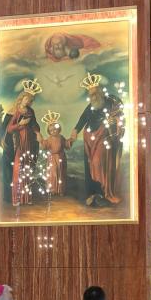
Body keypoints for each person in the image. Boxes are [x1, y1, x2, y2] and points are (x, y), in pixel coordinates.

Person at [71, 74, 123, 207]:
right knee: (89, 166)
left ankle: (103, 192)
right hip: (89, 140)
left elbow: (119, 115)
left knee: (98, 162)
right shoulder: (91, 106)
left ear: (100, 92)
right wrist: (75, 131)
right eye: (90, 95)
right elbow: (82, 119)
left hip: (104, 138)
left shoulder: (110, 102)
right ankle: (93, 193)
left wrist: (115, 121)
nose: (93, 97)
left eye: (95, 93)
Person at [3, 80, 42, 207]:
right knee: (18, 169)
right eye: (26, 99)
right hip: (19, 144)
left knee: (28, 169)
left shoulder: (31, 111)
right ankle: (17, 198)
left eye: (30, 100)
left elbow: (34, 124)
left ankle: (26, 197)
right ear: (22, 98)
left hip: (29, 143)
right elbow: (9, 128)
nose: (28, 102)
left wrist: (37, 132)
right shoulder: (17, 112)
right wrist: (20, 124)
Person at [36, 110, 75, 196]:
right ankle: (53, 189)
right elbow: (45, 146)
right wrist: (41, 140)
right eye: (51, 130)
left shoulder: (61, 137)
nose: (53, 131)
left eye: (55, 129)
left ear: (58, 129)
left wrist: (71, 139)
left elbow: (66, 144)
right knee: (53, 173)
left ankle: (60, 190)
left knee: (61, 173)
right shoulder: (49, 139)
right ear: (49, 131)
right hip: (52, 158)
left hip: (61, 157)